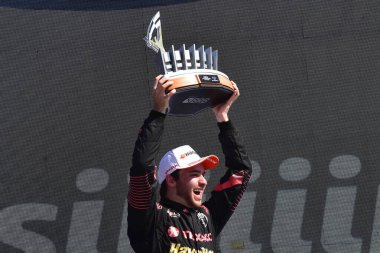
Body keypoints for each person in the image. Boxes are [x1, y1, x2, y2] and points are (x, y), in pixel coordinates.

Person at [127, 75, 252, 253]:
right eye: (194, 174)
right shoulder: (152, 219)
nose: (203, 181)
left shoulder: (207, 216)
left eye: (202, 174)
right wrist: (158, 112)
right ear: (171, 180)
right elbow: (141, 168)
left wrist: (222, 117)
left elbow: (241, 172)